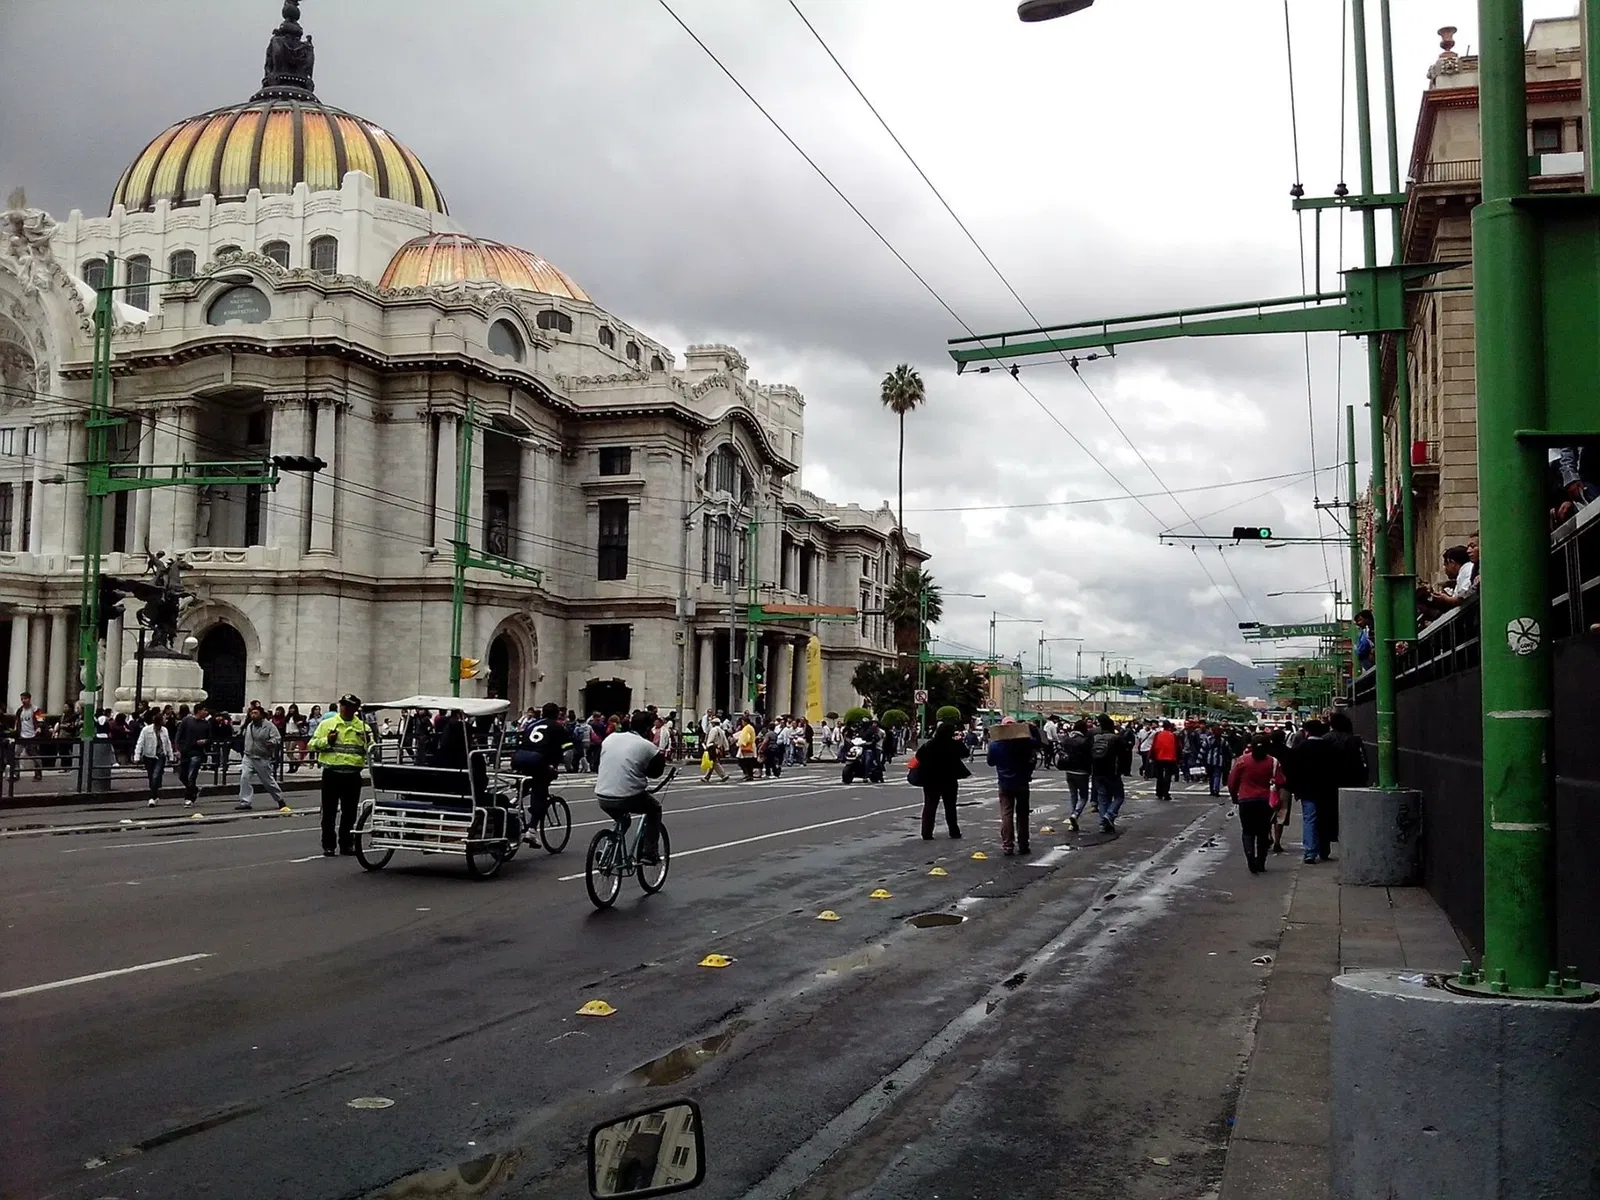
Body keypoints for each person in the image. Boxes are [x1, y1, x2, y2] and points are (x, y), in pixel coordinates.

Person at [595, 710, 668, 864]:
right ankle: (649, 852)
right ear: (648, 730)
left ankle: (609, 852)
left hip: (602, 794)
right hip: (628, 795)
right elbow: (655, 773)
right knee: (654, 809)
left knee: (623, 819)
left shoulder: (610, 738)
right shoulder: (648, 747)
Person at [309, 694, 373, 857]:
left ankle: (347, 844)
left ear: (355, 709)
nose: (345, 708)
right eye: (343, 705)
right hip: (332, 773)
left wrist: (366, 742)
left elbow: (373, 750)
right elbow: (312, 745)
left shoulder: (363, 727)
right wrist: (327, 741)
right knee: (329, 812)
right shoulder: (327, 724)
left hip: (352, 774)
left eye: (349, 706)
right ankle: (328, 845)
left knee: (349, 812)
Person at [510, 702, 574, 846]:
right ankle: (532, 830)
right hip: (537, 760)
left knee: (525, 783)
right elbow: (567, 749)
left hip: (519, 758)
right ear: (557, 714)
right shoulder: (558, 727)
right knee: (541, 788)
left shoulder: (532, 724)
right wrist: (565, 765)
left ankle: (514, 801)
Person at [1227, 734, 1285, 873]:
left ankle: (1250, 857)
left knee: (1247, 831)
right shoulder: (1273, 762)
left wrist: (1235, 796)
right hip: (1265, 801)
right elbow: (1281, 781)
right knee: (1263, 832)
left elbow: (1232, 782)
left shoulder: (1242, 761)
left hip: (1246, 800)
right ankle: (1261, 862)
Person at [987, 718, 1039, 855]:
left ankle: (1008, 845)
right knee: (1022, 815)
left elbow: (990, 762)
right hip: (1022, 782)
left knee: (1006, 814)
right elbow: (1039, 742)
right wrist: (1032, 728)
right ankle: (1023, 844)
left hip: (1004, 782)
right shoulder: (1024, 742)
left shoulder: (996, 744)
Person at [913, 719, 968, 840]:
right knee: (950, 807)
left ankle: (926, 832)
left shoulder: (930, 744)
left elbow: (919, 756)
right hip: (949, 779)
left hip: (931, 779)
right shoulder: (953, 744)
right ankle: (954, 831)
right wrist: (959, 742)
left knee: (930, 806)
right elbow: (966, 753)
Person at [236, 703, 286, 812]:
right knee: (244, 778)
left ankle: (279, 798)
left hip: (262, 758)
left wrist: (271, 742)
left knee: (267, 781)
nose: (253, 715)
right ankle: (245, 801)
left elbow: (277, 738)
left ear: (261, 715)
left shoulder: (269, 726)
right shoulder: (249, 725)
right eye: (252, 713)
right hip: (248, 756)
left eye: (255, 713)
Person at [1089, 714, 1124, 833]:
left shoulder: (1095, 737)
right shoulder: (1115, 738)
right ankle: (1109, 816)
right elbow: (1123, 755)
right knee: (1119, 796)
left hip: (1097, 771)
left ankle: (1104, 825)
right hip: (1112, 771)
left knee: (1103, 798)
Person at [174, 702, 212, 805]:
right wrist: (177, 749)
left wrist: (205, 741)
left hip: (197, 751)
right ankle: (193, 789)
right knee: (183, 775)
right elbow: (179, 734)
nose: (206, 712)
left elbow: (210, 738)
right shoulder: (187, 721)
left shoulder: (206, 724)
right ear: (199, 710)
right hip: (185, 751)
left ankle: (189, 797)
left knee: (192, 774)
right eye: (204, 710)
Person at [1060, 717, 1093, 832]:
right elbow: (1090, 756)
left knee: (1073, 795)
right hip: (1082, 771)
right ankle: (1075, 814)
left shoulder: (1067, 739)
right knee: (1083, 796)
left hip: (1069, 770)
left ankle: (1072, 821)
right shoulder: (1085, 741)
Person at [135, 709, 173, 806]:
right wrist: (137, 756)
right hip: (149, 755)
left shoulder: (164, 730)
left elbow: (167, 743)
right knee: (151, 776)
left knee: (155, 775)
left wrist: (170, 756)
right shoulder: (146, 730)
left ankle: (151, 797)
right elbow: (140, 743)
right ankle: (155, 794)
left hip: (160, 755)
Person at [1149, 720, 1180, 801]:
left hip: (1159, 757)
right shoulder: (1173, 735)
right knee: (1168, 776)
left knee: (1159, 775)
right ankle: (1165, 793)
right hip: (1170, 758)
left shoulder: (1158, 734)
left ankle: (1159, 791)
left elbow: (1154, 746)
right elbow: (1178, 747)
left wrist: (1152, 757)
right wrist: (1179, 759)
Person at [14, 691, 40, 782]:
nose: (23, 701)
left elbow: (40, 719)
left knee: (34, 755)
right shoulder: (20, 710)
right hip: (21, 736)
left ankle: (38, 774)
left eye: (25, 698)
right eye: (22, 699)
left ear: (29, 699)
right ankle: (16, 774)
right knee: (15, 754)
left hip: (32, 736)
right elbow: (17, 721)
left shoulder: (35, 709)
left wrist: (38, 728)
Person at [1203, 724, 1232, 798]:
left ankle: (1212, 790)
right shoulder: (1223, 740)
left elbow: (1203, 750)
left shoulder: (1208, 739)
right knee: (1217, 775)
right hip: (1220, 761)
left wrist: (1200, 760)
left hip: (1209, 760)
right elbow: (1228, 751)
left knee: (1211, 776)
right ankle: (1216, 789)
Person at [703, 717, 730, 782]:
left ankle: (723, 775)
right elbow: (725, 740)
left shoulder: (713, 730)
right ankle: (707, 776)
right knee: (712, 762)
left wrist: (707, 746)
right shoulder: (721, 730)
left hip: (713, 748)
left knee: (714, 762)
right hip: (719, 748)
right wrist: (726, 748)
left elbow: (710, 740)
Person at [735, 717, 758, 781]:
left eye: (742, 722)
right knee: (748, 762)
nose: (742, 723)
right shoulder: (750, 727)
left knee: (744, 761)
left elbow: (745, 737)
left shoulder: (747, 728)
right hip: (750, 745)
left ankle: (747, 774)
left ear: (745, 722)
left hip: (747, 746)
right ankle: (749, 775)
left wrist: (741, 744)